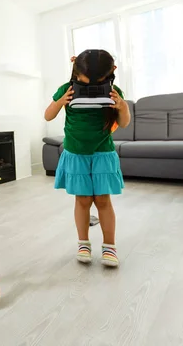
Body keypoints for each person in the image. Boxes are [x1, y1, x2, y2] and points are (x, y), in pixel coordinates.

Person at [44, 50, 131, 267]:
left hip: (102, 153)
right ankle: (83, 243)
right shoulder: (68, 89)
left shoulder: (114, 92)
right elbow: (48, 115)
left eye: (97, 80)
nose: (91, 83)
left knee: (103, 200)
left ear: (110, 74)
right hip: (76, 154)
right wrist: (60, 101)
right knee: (82, 200)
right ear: (76, 71)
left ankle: (109, 247)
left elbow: (124, 123)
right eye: (86, 79)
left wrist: (122, 106)